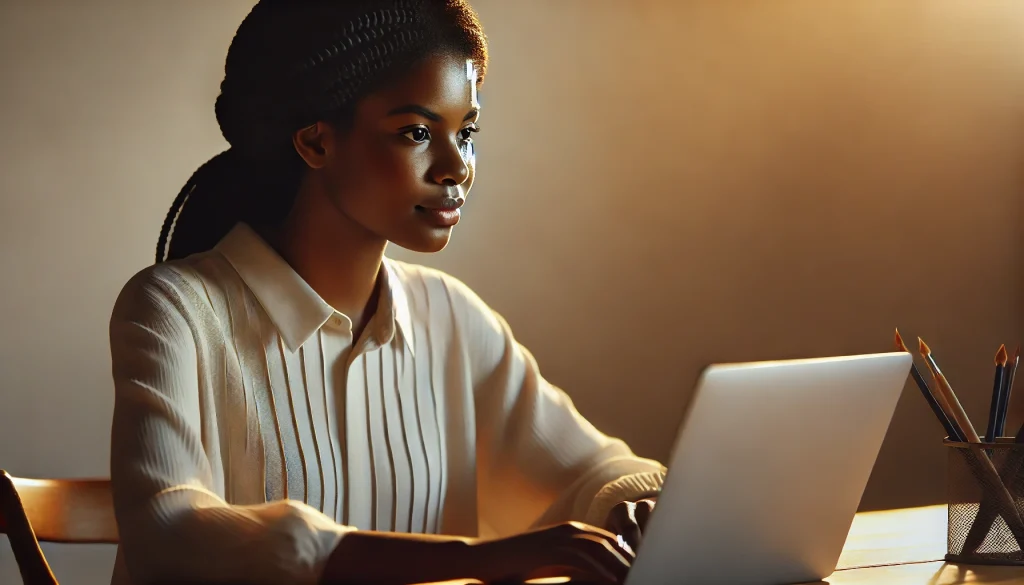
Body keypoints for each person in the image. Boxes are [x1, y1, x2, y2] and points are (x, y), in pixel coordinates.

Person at [108, 1, 665, 584]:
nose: (457, 165)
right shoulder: (173, 309)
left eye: (466, 131)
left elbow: (593, 472)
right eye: (417, 133)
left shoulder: (450, 317)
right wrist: (478, 559)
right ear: (315, 142)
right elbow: (165, 527)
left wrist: (636, 505)